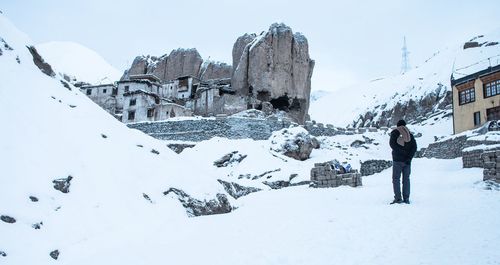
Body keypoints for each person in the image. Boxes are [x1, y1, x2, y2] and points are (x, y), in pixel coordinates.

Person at [389, 119, 417, 204]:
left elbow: (392, 144)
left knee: (396, 179)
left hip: (397, 160)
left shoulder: (395, 133)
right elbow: (414, 148)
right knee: (406, 179)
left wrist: (401, 152)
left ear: (398, 126)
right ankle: (406, 198)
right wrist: (409, 158)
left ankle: (398, 198)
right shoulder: (410, 135)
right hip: (407, 162)